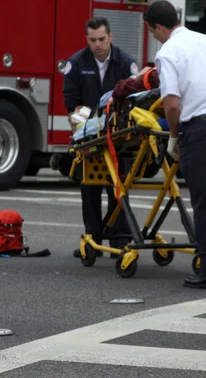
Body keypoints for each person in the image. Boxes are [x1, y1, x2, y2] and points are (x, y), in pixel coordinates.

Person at [144, 0, 206, 290]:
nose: (154, 37)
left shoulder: (168, 52)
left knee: (204, 203)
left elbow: (172, 104)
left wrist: (174, 136)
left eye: (153, 32)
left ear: (160, 27)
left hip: (201, 129)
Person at [63, 16, 140, 257]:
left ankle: (119, 240)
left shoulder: (126, 64)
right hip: (90, 136)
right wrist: (81, 126)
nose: (98, 44)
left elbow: (135, 100)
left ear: (110, 37)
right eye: (93, 40)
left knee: (118, 188)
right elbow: (71, 105)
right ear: (87, 39)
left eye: (102, 39)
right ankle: (92, 240)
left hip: (120, 137)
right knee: (90, 188)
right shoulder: (76, 64)